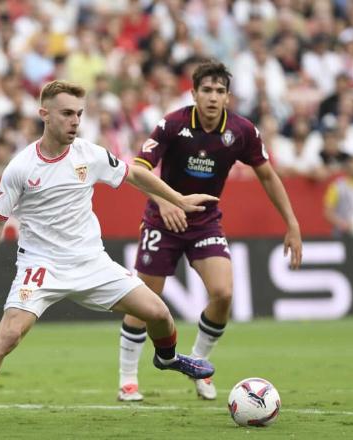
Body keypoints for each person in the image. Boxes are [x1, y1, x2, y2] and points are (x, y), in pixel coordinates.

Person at [0, 80, 219, 429]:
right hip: (40, 267)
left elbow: (136, 175)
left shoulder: (91, 154)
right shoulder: (21, 167)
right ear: (44, 114)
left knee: (159, 314)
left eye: (79, 114)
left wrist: (177, 199)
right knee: (9, 335)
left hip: (91, 262)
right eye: (67, 113)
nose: (75, 121)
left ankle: (168, 358)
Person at [117, 61, 303, 403]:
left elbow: (267, 175)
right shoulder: (172, 124)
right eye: (207, 90)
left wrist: (291, 223)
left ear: (228, 98)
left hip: (205, 221)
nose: (213, 97)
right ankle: (128, 378)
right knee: (145, 301)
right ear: (194, 93)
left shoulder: (242, 131)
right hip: (164, 219)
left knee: (224, 293)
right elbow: (137, 169)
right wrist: (164, 201)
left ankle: (198, 364)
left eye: (219, 91)